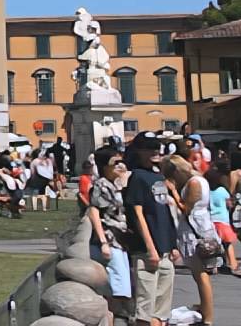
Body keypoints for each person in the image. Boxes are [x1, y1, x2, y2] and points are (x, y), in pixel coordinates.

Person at [123, 134, 178, 326]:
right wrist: (150, 247)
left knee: (162, 310)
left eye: (156, 147)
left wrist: (173, 244)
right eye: (149, 148)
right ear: (139, 151)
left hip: (165, 248)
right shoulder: (137, 176)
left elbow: (165, 213)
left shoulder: (158, 176)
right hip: (147, 250)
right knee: (145, 308)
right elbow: (138, 214)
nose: (155, 151)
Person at [165, 156, 219, 326]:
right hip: (201, 227)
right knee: (200, 274)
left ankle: (208, 316)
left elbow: (186, 208)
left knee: (201, 274)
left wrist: (174, 192)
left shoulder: (194, 182)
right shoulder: (199, 180)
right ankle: (204, 308)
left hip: (196, 231)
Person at [87, 148, 133, 325]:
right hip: (110, 239)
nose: (120, 166)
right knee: (116, 290)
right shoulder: (101, 185)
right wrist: (103, 241)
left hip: (122, 240)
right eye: (115, 163)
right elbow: (94, 211)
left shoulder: (118, 184)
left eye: (121, 161)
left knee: (121, 289)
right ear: (104, 166)